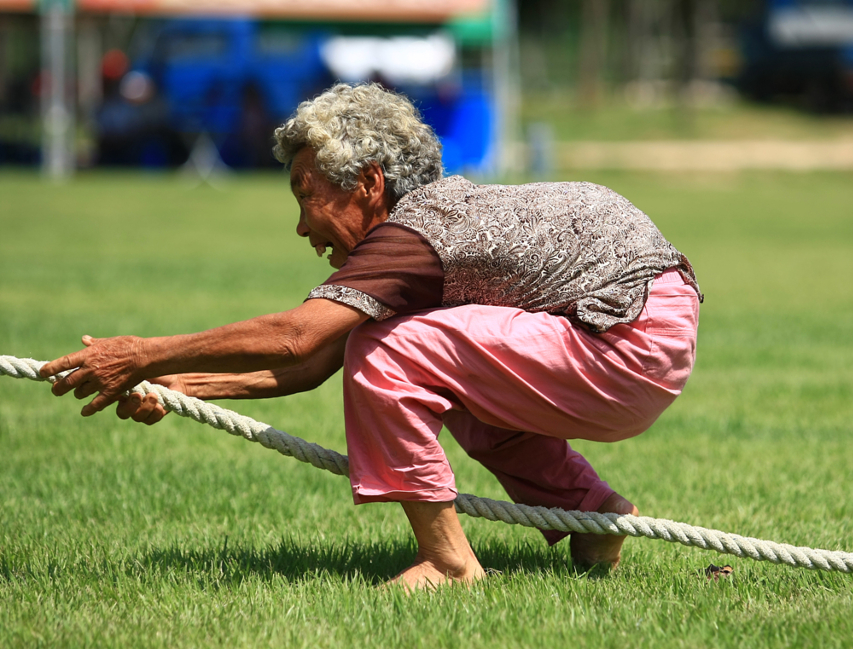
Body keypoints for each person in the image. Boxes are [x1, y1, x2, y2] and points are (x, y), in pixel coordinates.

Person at [40, 83, 702, 591]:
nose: (303, 226)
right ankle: (588, 517)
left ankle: (447, 564)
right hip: (644, 334)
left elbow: (300, 339)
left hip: (626, 337)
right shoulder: (433, 225)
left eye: (307, 194)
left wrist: (140, 354)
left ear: (370, 183)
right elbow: (314, 363)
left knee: (390, 350)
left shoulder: (413, 236)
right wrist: (176, 385)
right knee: (436, 370)